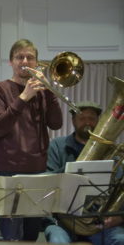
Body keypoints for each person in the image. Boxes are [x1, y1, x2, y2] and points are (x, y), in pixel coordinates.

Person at [0, 39, 63, 241]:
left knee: (30, 237)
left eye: (30, 57)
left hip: (38, 171)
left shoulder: (42, 92)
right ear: (11, 62)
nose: (25, 61)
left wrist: (49, 91)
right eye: (20, 57)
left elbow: (56, 124)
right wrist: (24, 97)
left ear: (36, 63)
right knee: (11, 237)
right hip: (8, 171)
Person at [44, 101, 124, 245]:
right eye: (82, 118)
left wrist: (119, 217)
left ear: (98, 121)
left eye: (92, 118)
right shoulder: (57, 145)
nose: (87, 122)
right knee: (57, 241)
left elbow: (120, 188)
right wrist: (74, 169)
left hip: (98, 223)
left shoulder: (111, 151)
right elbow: (48, 179)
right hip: (63, 221)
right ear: (73, 121)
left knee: (120, 239)